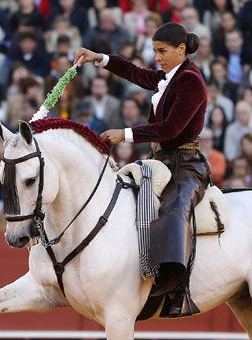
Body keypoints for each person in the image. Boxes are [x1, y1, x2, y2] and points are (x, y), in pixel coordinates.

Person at [75, 22, 208, 318]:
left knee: (174, 210)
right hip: (160, 161)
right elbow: (137, 73)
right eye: (155, 51)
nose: (157, 58)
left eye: (162, 51)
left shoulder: (191, 81)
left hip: (186, 164)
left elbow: (172, 129)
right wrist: (101, 58)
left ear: (181, 50)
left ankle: (177, 289)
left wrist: (126, 134)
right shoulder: (171, 77)